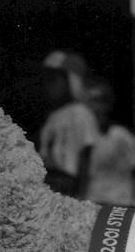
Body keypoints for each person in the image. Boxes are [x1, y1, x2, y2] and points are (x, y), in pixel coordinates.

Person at [77, 75, 135, 207]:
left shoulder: (120, 136)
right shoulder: (84, 136)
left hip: (118, 205)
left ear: (107, 105)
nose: (93, 107)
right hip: (92, 203)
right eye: (88, 102)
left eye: (97, 101)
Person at [37, 49, 99, 195]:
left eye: (53, 79)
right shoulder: (54, 115)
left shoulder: (80, 113)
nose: (48, 86)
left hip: (67, 184)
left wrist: (82, 195)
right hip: (50, 180)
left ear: (71, 82)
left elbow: (86, 156)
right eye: (46, 80)